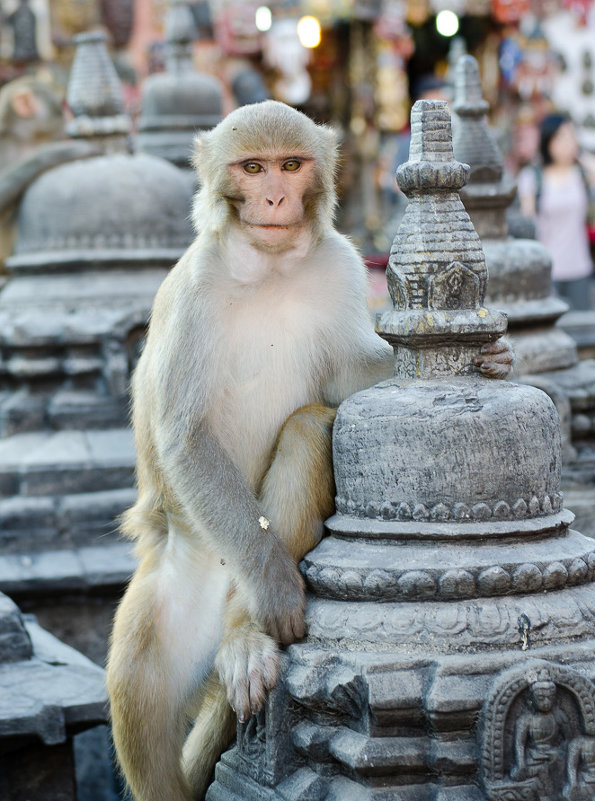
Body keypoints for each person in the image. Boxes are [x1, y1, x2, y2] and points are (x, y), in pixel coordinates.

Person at [518, 113, 595, 310]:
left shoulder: (582, 175)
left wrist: (583, 158)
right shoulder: (532, 177)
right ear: (548, 140)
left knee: (582, 331)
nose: (568, 142)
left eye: (571, 135)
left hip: (579, 267)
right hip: (546, 270)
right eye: (561, 136)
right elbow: (528, 224)